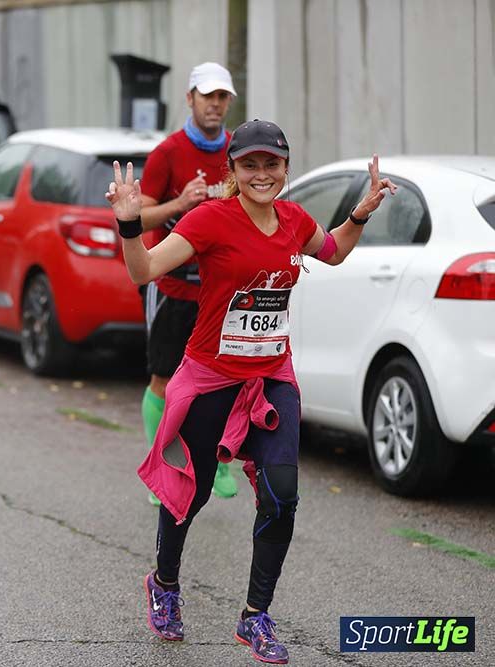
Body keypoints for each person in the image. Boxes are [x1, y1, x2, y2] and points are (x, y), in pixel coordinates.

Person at [107, 120, 396, 664]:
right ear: (234, 172)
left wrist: (361, 211)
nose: (262, 174)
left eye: (272, 164)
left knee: (282, 494)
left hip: (270, 380)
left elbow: (332, 251)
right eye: (250, 165)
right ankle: (164, 583)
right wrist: (128, 225)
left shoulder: (293, 219)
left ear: (286, 168)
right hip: (212, 375)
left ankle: (255, 617)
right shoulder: (209, 220)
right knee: (188, 495)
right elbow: (142, 271)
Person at [139, 62, 239, 503]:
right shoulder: (168, 153)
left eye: (222, 97)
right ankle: (161, 469)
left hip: (220, 293)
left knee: (223, 382)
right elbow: (137, 214)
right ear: (190, 99)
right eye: (207, 96)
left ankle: (213, 464)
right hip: (174, 288)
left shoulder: (239, 151)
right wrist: (179, 202)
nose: (215, 105)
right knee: (165, 380)